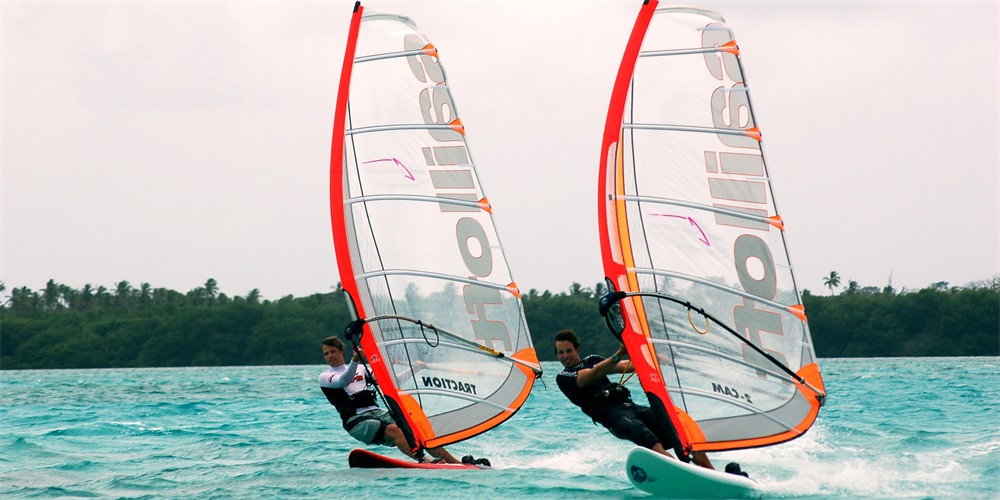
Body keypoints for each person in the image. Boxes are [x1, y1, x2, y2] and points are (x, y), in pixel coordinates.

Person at [554, 329, 723, 471]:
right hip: (616, 418)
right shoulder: (563, 377)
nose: (565, 356)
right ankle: (687, 474)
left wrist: (654, 360)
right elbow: (594, 373)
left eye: (568, 350)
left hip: (632, 407)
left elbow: (625, 366)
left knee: (680, 432)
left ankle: (713, 474)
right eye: (561, 352)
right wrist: (619, 353)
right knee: (650, 440)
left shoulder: (591, 359)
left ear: (577, 349)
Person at [318, 336, 489, 466]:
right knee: (394, 430)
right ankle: (426, 462)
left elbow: (392, 381)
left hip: (376, 413)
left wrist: (415, 368)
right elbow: (343, 381)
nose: (330, 356)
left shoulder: (362, 369)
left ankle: (455, 463)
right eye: (326, 353)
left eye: (333, 351)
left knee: (418, 430)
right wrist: (355, 360)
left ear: (341, 351)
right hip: (356, 422)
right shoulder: (326, 377)